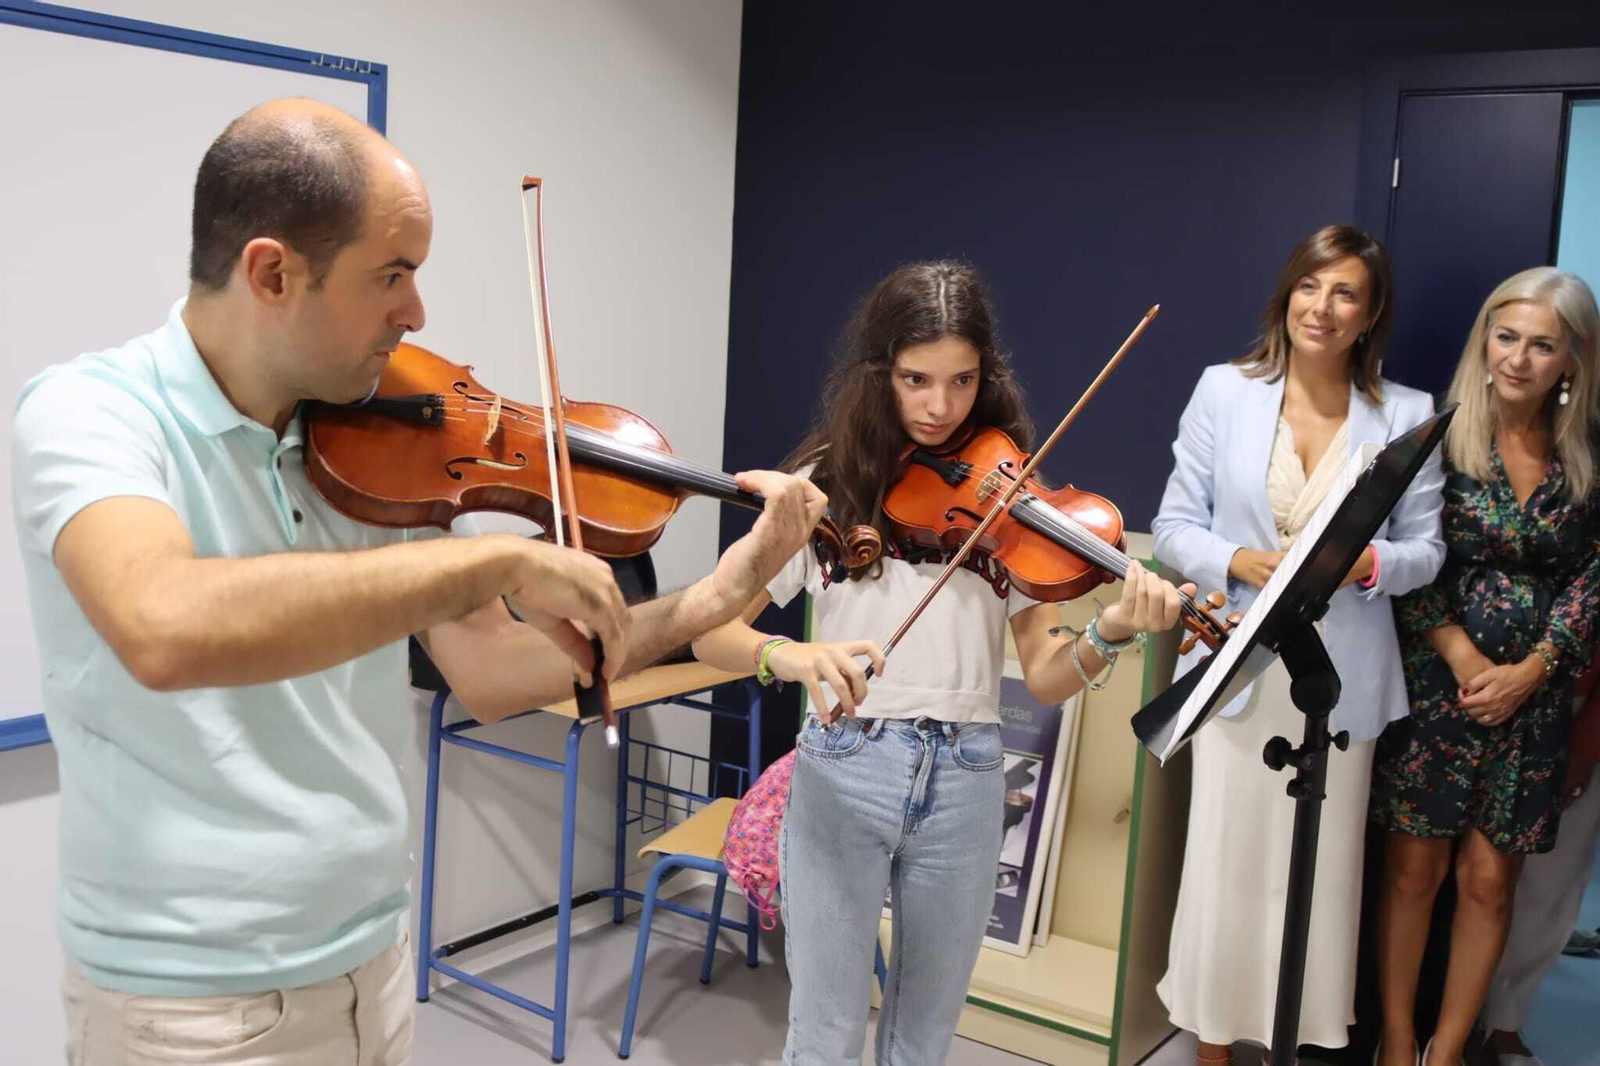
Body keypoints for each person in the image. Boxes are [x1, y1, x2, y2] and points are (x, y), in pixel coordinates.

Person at [13, 99, 826, 1065]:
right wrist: (486, 558)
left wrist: (718, 597)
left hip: (373, 964)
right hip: (194, 1009)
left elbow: (495, 671)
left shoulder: (367, 436)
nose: (417, 314)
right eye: (391, 275)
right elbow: (161, 625)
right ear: (273, 273)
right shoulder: (90, 416)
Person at [690, 260, 1193, 1065]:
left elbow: (1048, 672)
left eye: (961, 382)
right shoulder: (825, 485)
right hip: (845, 766)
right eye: (915, 380)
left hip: (967, 777)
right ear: (879, 373)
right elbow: (712, 630)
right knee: (823, 1035)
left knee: (923, 1041)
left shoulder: (1011, 497)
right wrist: (792, 656)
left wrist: (1116, 631)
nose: (938, 406)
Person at [1150, 224, 1446, 1065]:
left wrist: (1368, 561)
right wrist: (1237, 558)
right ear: (1288, 295)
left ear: (1370, 314)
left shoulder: (1409, 413)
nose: (1323, 306)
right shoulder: (1223, 391)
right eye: (1311, 286)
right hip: (1236, 668)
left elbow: (1427, 552)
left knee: (1314, 876)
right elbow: (1172, 525)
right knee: (1222, 866)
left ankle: (1294, 1041)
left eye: (1345, 292)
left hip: (1340, 685)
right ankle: (1209, 1047)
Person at [1370, 266, 1600, 1066]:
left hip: (1535, 701)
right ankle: (1397, 1043)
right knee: (1412, 873)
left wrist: (1536, 668)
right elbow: (1408, 558)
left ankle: (1448, 1050)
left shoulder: (1589, 458)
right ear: (1485, 340)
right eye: (1507, 338)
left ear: (1572, 358)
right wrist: (1465, 655)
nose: (1520, 359)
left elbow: (1594, 574)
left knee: (1488, 882)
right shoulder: (1438, 436)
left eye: (1543, 346)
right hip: (1439, 690)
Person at [1482, 637, 1600, 1065]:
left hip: (1572, 699)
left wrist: (1587, 746)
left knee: (1549, 878)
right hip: (1463, 685)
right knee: (1459, 877)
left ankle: (1504, 1020)